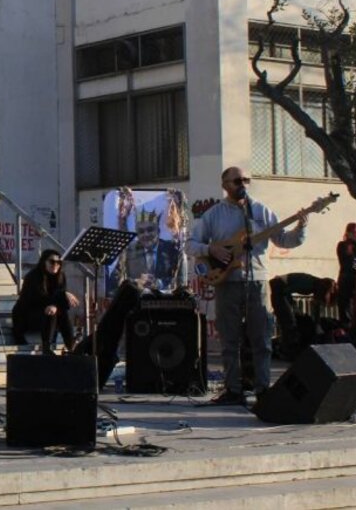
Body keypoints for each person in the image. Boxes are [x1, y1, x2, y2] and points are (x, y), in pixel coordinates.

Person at [186, 166, 306, 405]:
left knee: (261, 339)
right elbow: (190, 244)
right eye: (237, 181)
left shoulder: (261, 211)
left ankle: (263, 389)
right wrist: (211, 249)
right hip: (227, 283)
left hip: (257, 281)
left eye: (246, 180)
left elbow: (284, 240)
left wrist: (301, 227)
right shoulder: (213, 214)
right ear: (225, 185)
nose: (243, 184)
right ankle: (233, 390)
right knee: (230, 340)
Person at [11, 249, 79, 354]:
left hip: (47, 315)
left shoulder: (61, 276)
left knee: (61, 311)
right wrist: (60, 298)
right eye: (52, 261)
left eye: (59, 262)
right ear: (44, 262)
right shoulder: (33, 277)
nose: (55, 265)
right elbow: (36, 300)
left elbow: (64, 303)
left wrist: (58, 301)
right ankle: (46, 347)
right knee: (52, 311)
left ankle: (71, 345)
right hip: (27, 315)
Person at [268, 273, 335, 359]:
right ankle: (286, 350)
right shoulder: (308, 285)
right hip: (278, 286)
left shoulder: (316, 287)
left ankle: (286, 348)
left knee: (290, 319)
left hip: (281, 287)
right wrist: (294, 307)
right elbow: (286, 291)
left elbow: (317, 307)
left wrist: (317, 324)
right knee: (289, 321)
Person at [116, 210, 182, 289]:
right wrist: (136, 283)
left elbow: (179, 279)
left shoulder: (172, 249)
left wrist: (159, 283)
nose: (146, 234)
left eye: (150, 230)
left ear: (158, 231)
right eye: (141, 231)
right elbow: (118, 279)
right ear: (137, 234)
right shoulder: (128, 251)